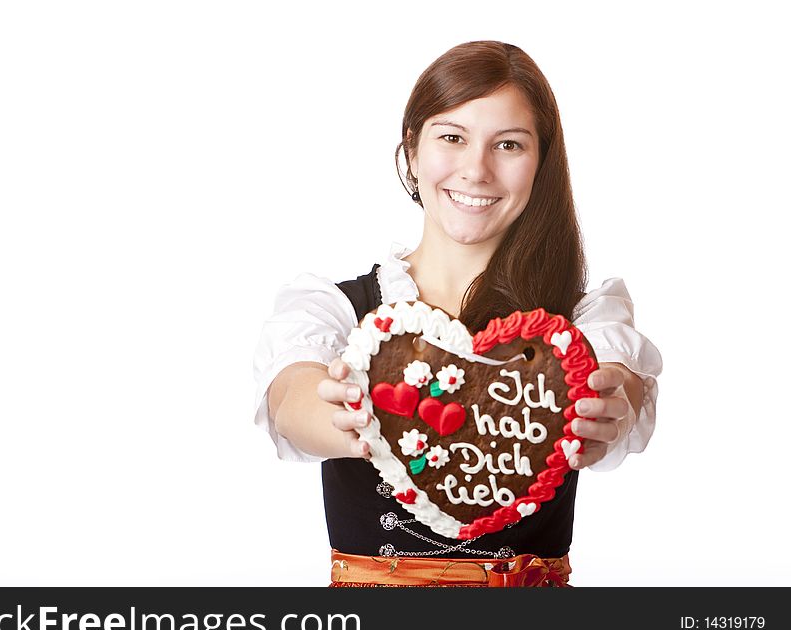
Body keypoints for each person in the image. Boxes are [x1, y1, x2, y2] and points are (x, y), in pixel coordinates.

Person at [253, 40, 663, 587]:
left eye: (509, 145)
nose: (477, 170)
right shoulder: (335, 309)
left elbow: (620, 383)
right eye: (452, 137)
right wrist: (345, 412)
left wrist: (609, 405)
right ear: (412, 152)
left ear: (541, 162)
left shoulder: (580, 321)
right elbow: (289, 398)